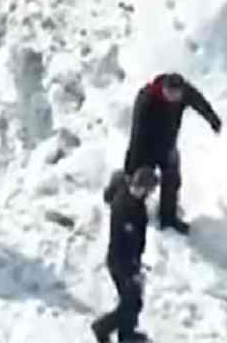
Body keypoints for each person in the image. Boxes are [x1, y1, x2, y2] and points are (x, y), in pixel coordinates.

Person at [123, 72, 221, 234]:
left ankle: (168, 219)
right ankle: (127, 209)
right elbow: (137, 135)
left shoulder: (184, 92)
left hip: (168, 145)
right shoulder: (146, 100)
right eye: (170, 94)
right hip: (145, 146)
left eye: (177, 95)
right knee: (139, 182)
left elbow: (198, 101)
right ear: (163, 89)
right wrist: (133, 165)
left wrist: (212, 119)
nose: (174, 98)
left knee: (172, 181)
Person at [91, 167, 158, 343]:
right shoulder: (125, 206)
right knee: (132, 302)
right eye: (148, 189)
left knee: (131, 300)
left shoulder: (132, 199)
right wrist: (133, 269)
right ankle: (102, 327)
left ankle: (127, 334)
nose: (149, 193)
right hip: (121, 262)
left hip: (127, 259)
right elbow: (127, 241)